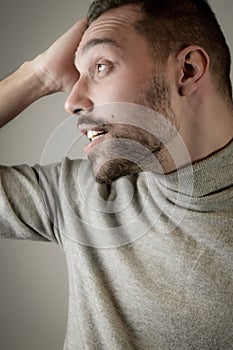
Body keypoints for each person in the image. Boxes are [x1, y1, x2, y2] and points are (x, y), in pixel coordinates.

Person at [1, 0, 233, 349]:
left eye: (101, 66)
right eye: (76, 75)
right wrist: (38, 76)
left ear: (187, 70)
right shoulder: (79, 196)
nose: (72, 100)